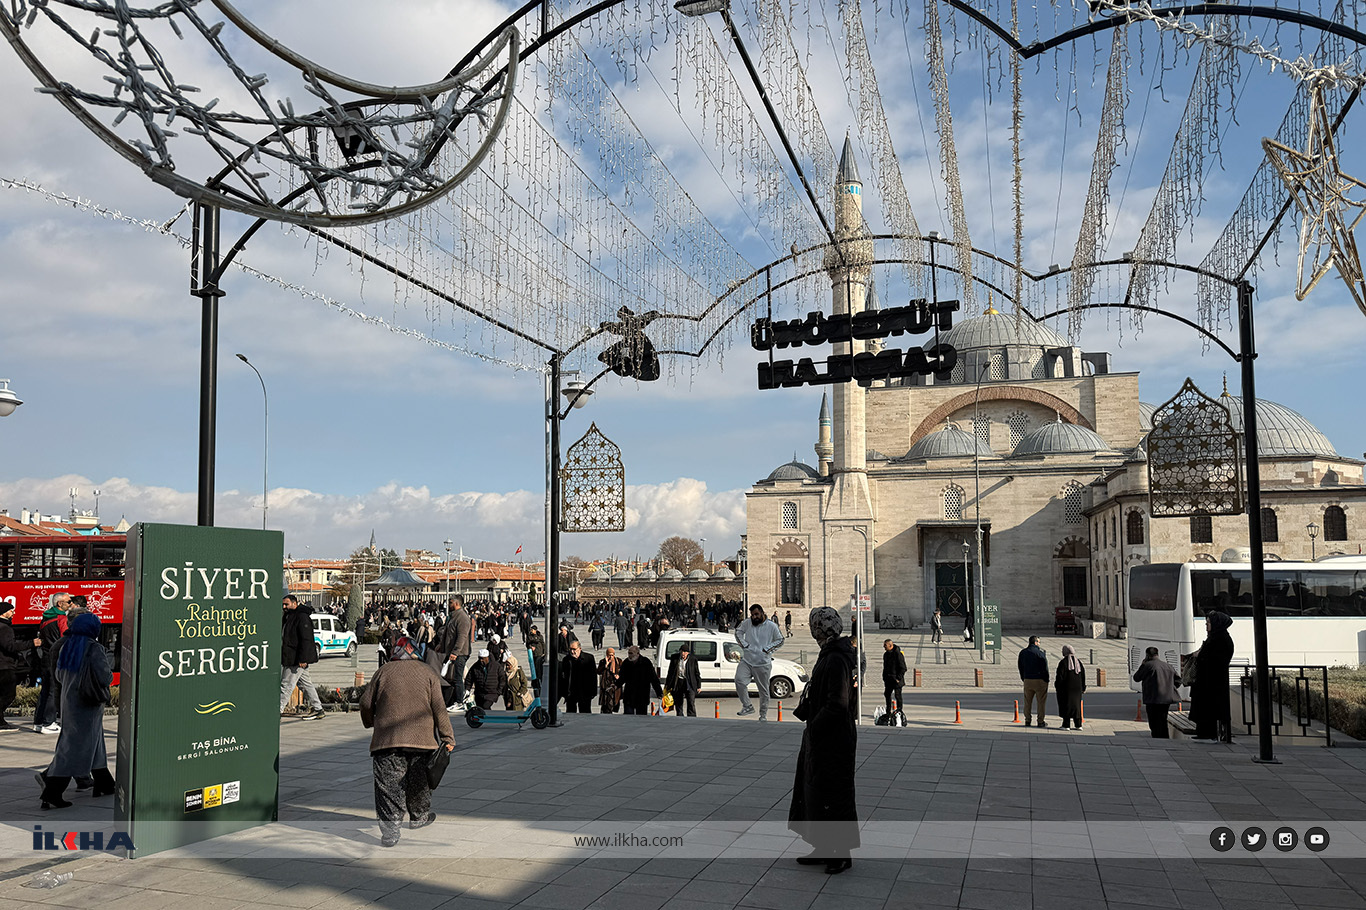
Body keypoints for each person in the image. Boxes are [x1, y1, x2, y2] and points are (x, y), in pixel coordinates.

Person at [360, 636, 455, 847]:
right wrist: (448, 737)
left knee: (388, 787)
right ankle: (419, 817)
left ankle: (390, 832)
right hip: (423, 741)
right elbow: (440, 708)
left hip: (387, 740)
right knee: (419, 782)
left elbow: (366, 702)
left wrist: (370, 722)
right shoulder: (428, 673)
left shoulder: (383, 671)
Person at [788, 606, 858, 875]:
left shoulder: (837, 659)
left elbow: (838, 704)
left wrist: (814, 726)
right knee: (817, 791)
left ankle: (841, 852)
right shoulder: (831, 654)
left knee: (834, 794)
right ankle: (823, 846)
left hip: (833, 738)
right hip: (824, 736)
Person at [36, 613, 115, 809]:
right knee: (75, 749)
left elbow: (59, 675)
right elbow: (105, 677)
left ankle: (104, 783)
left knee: (92, 743)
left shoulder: (67, 646)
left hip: (70, 702)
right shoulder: (94, 648)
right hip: (89, 703)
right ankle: (52, 792)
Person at [1191, 611, 1235, 743]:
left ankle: (1208, 734)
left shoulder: (1221, 640)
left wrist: (1200, 656)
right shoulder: (1214, 638)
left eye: (1208, 623)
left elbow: (1216, 660)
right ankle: (1202, 732)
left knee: (1209, 709)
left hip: (1213, 683)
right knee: (1203, 707)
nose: (1206, 626)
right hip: (1206, 681)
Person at [734, 604, 784, 720]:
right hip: (747, 660)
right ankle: (747, 706)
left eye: (756, 614)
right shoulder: (747, 622)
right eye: (752, 615)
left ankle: (763, 715)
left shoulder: (772, 626)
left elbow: (780, 640)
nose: (754, 617)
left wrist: (767, 649)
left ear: (762, 613)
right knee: (739, 681)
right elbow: (738, 632)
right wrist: (745, 645)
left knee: (764, 691)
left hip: (763, 663)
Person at [280, 595, 326, 720]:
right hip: (293, 657)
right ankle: (318, 709)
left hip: (296, 658)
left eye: (286, 604)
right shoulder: (290, 616)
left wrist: (303, 658)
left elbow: (306, 639)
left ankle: (277, 711)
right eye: (283, 604)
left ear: (294, 603)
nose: (284, 607)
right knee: (306, 685)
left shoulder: (301, 617)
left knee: (286, 684)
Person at [33, 593, 71, 734]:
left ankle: (38, 721)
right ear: (60, 604)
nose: (70, 603)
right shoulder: (61, 618)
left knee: (45, 690)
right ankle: (48, 722)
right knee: (53, 690)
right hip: (55, 658)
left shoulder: (46, 617)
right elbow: (65, 637)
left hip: (45, 656)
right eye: (68, 601)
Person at [427, 595, 471, 712]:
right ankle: (457, 698)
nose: (448, 605)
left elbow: (462, 637)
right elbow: (447, 633)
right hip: (451, 652)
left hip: (460, 653)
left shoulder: (462, 618)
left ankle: (460, 701)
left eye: (450, 602)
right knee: (448, 676)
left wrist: (455, 652)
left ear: (456, 604)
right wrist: (441, 646)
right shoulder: (452, 617)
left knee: (457, 677)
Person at [1133, 647, 1181, 738]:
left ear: (1147, 655)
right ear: (1157, 654)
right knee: (1163, 719)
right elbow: (1178, 680)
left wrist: (1142, 665)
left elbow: (1136, 678)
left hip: (1152, 698)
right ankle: (1164, 737)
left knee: (1153, 720)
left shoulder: (1148, 666)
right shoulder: (1168, 666)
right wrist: (1170, 688)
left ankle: (1157, 738)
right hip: (1166, 698)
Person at [0, 600, 32, 732]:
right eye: (11, 610)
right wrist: (30, 643)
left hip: (3, 664)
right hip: (5, 665)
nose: (13, 613)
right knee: (8, 694)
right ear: (4, 612)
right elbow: (10, 646)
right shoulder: (4, 628)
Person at [619, 645, 663, 715]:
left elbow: (653, 678)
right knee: (628, 718)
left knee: (641, 718)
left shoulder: (646, 662)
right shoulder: (626, 663)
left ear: (637, 653)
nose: (629, 655)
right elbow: (622, 678)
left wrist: (659, 692)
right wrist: (615, 686)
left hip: (642, 696)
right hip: (629, 696)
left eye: (631, 653)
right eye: (629, 653)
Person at [1017, 636, 1049, 728]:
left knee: (1027, 701)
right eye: (1039, 642)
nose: (1039, 644)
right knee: (1041, 702)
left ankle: (1027, 720)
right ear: (1035, 643)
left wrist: (1024, 678)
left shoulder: (1023, 653)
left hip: (1027, 680)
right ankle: (1040, 721)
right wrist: (1046, 679)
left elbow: (1020, 666)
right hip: (1039, 680)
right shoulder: (1040, 653)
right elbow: (1045, 668)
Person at [1053, 644, 1086, 730]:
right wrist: (1083, 687)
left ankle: (1066, 724)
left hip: (1066, 689)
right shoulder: (1078, 662)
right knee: (1077, 706)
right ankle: (1078, 724)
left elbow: (1060, 677)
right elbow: (1083, 676)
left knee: (1066, 705)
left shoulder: (1063, 662)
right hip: (1077, 689)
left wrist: (1057, 686)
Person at [559, 640, 597, 713]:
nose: (572, 652)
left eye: (574, 649)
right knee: (570, 712)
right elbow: (563, 677)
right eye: (570, 649)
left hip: (585, 692)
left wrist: (593, 691)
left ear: (580, 648)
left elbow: (593, 676)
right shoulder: (566, 659)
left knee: (585, 713)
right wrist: (564, 692)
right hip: (571, 692)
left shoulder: (589, 658)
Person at [665, 643, 701, 717]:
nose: (683, 654)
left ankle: (691, 716)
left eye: (685, 652)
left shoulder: (693, 659)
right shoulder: (675, 658)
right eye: (681, 652)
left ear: (688, 653)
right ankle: (680, 715)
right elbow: (670, 672)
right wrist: (667, 684)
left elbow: (697, 673)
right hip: (678, 682)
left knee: (691, 701)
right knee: (678, 702)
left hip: (689, 682)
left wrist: (698, 686)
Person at [882, 639, 907, 719]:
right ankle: (888, 712)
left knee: (897, 696)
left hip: (896, 680)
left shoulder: (898, 654)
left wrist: (898, 678)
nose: (884, 647)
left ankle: (899, 712)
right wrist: (884, 677)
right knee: (887, 694)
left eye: (885, 645)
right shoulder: (886, 654)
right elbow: (885, 667)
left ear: (890, 645)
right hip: (888, 679)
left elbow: (903, 668)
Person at [597, 647, 624, 713]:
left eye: (612, 655)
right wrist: (606, 665)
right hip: (606, 686)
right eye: (609, 655)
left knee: (614, 702)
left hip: (615, 686)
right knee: (607, 704)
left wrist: (619, 675)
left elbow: (623, 671)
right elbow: (598, 671)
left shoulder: (618, 661)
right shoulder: (603, 661)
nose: (611, 657)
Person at [526, 626, 546, 694]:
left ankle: (539, 681)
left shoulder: (540, 636)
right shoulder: (529, 636)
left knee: (539, 669)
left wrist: (544, 652)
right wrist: (531, 647)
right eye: (531, 629)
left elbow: (543, 643)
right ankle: (535, 681)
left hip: (539, 653)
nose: (531, 631)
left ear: (535, 630)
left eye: (532, 630)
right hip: (533, 654)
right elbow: (527, 644)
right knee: (533, 668)